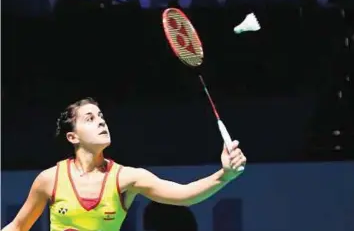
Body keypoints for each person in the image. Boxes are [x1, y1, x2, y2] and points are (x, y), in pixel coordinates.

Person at [2, 97, 246, 231]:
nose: (101, 122)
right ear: (72, 137)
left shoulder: (125, 178)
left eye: (101, 117)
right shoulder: (50, 179)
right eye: (90, 118)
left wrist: (223, 176)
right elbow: (18, 227)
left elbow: (183, 195)